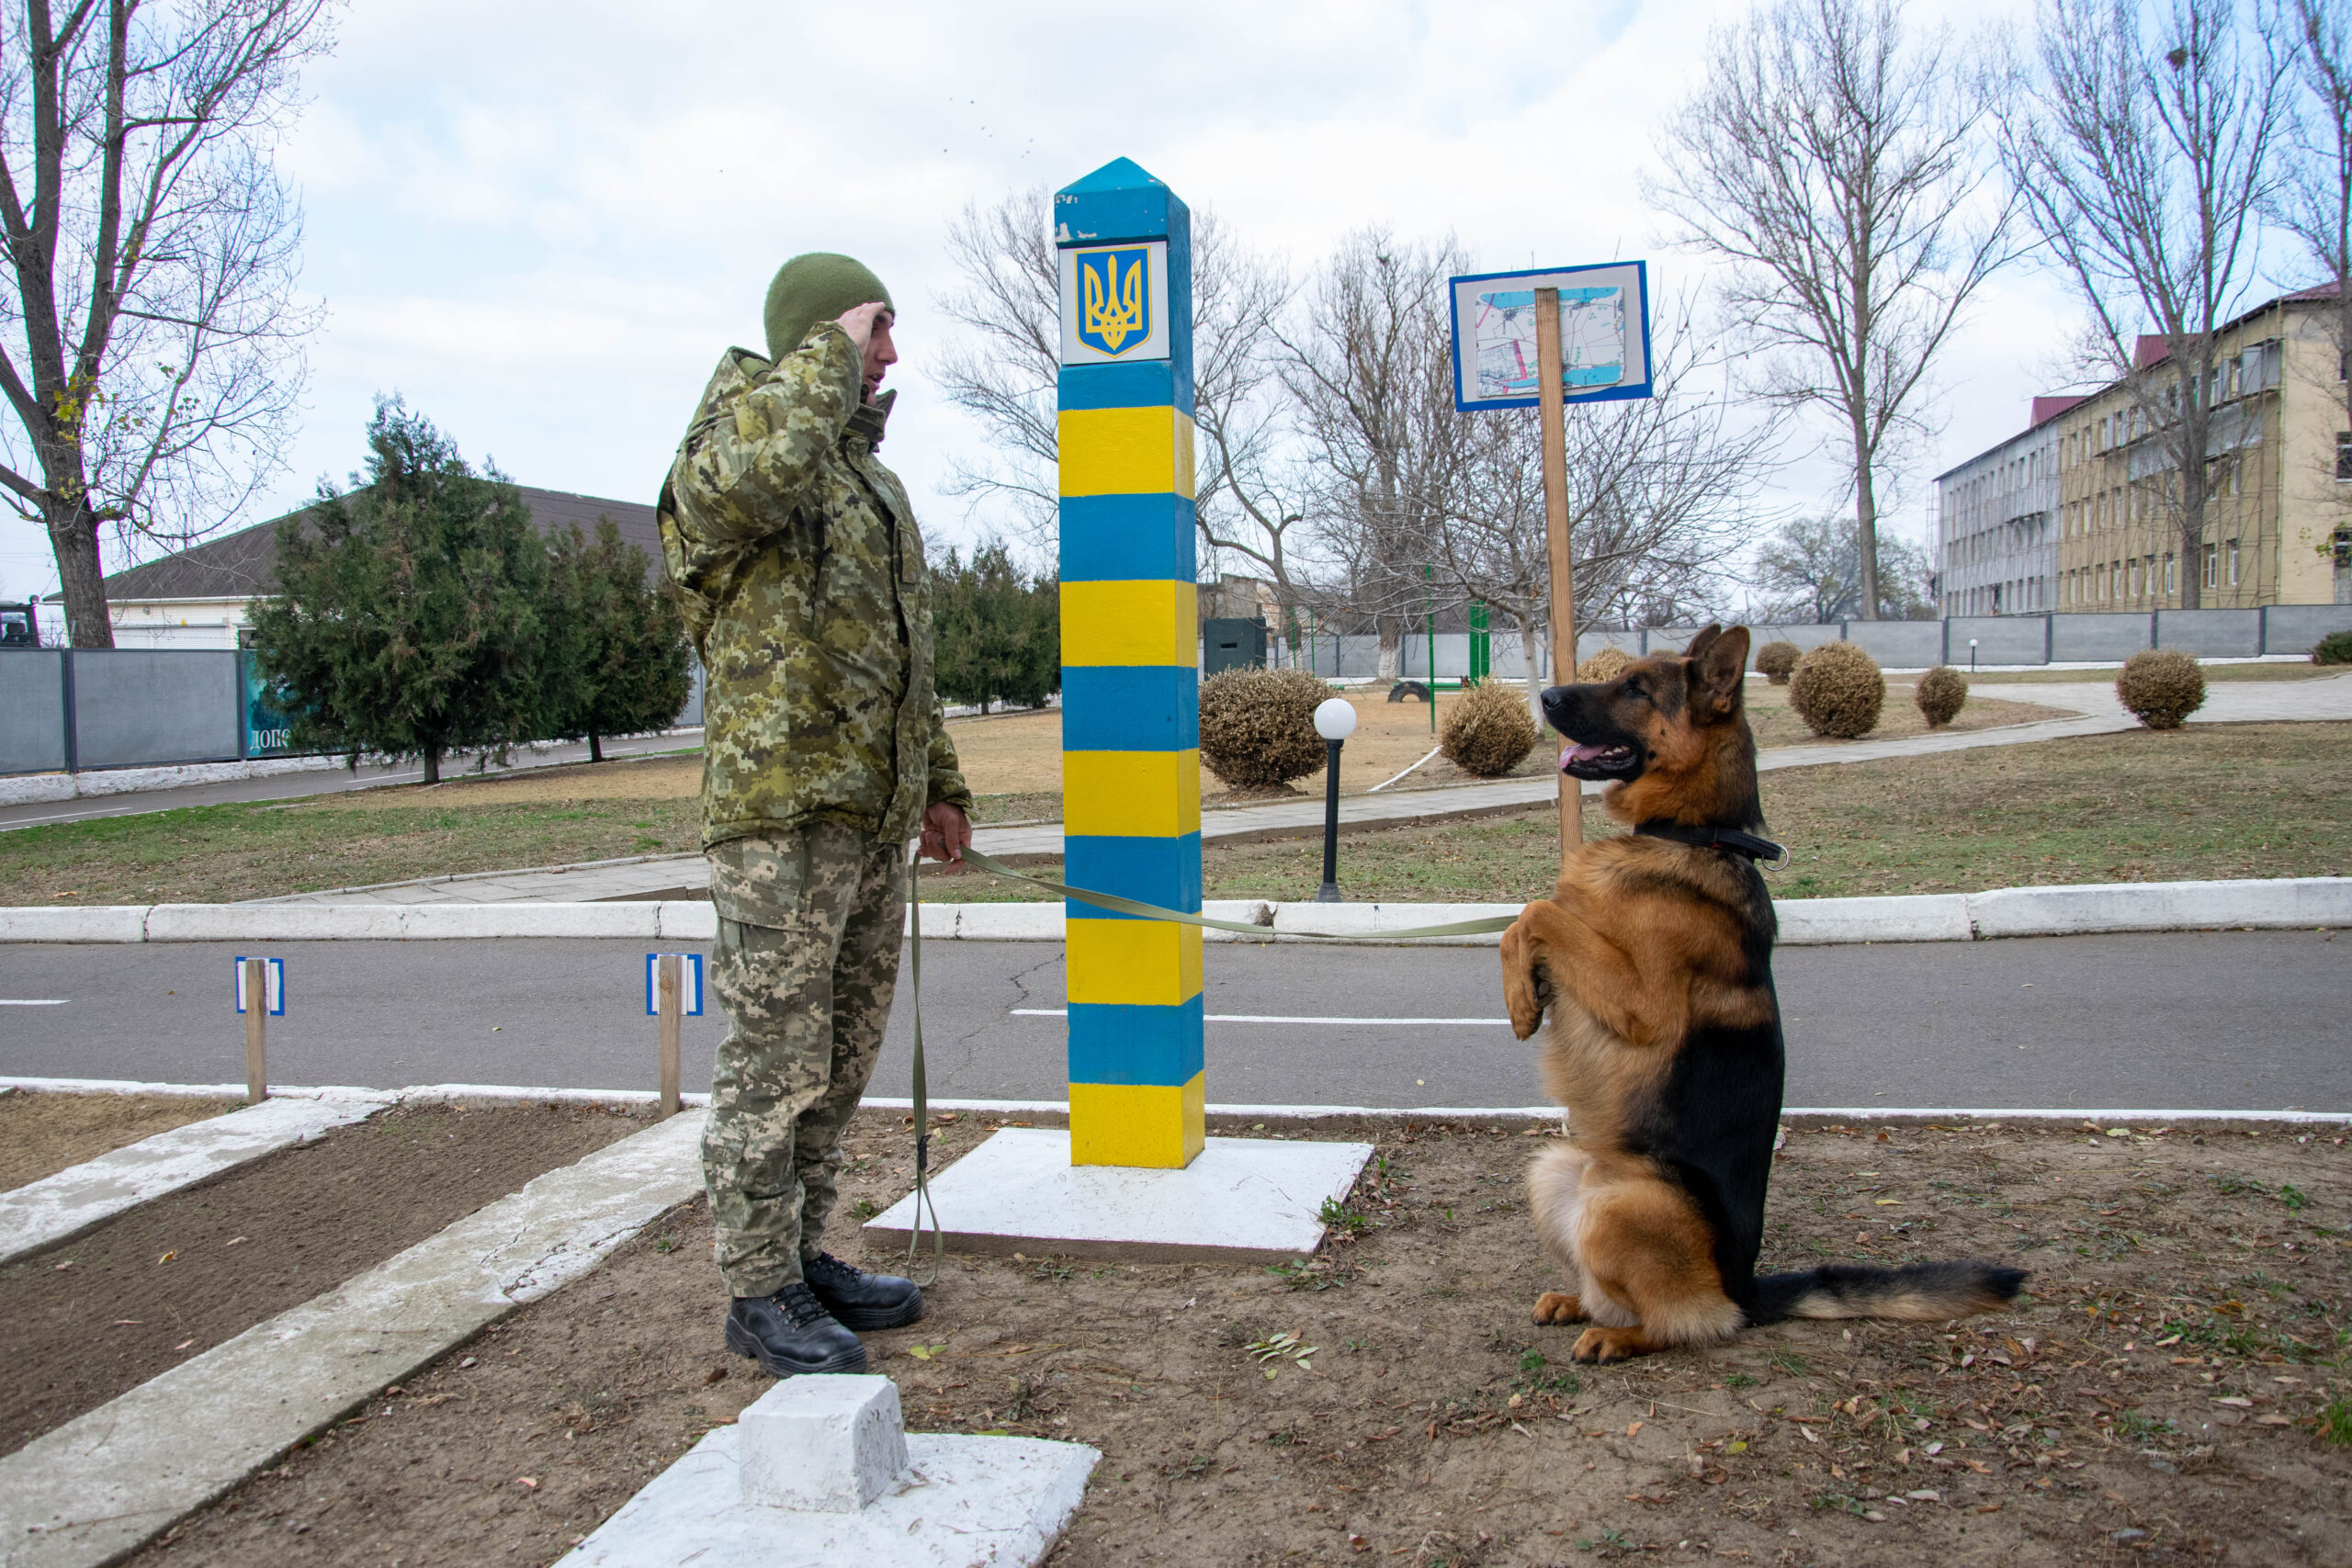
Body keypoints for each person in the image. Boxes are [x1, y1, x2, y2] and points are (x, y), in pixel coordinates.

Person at [657, 252, 975, 1378]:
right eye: (873, 329)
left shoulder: (869, 485)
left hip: (865, 815)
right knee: (772, 1064)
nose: (888, 354)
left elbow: (903, 659)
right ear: (815, 338)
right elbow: (739, 489)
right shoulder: (734, 446)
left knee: (837, 1063)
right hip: (778, 815)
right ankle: (755, 1289)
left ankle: (799, 1259)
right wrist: (825, 358)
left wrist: (937, 783)